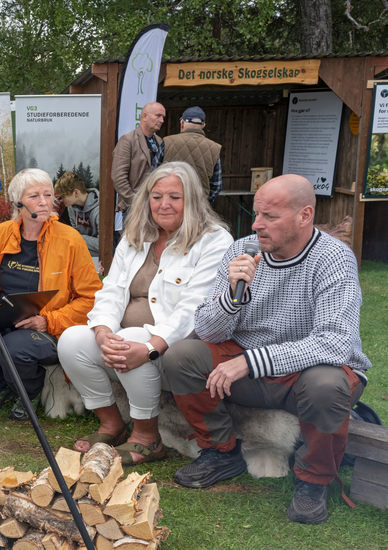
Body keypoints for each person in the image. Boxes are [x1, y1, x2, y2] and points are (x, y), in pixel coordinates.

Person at [162, 175, 370, 524]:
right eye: (257, 214)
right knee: (182, 357)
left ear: (304, 216)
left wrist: (250, 361)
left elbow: (334, 341)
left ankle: (313, 480)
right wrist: (231, 296)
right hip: (253, 370)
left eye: (269, 217)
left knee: (326, 385)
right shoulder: (242, 248)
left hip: (308, 375)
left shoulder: (334, 258)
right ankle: (220, 451)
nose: (257, 224)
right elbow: (208, 330)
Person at [57, 163, 231, 464]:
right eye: (156, 196)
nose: (164, 204)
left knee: (134, 337)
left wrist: (150, 347)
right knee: (71, 340)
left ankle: (147, 438)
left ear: (192, 200)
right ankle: (111, 424)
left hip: (174, 351)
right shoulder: (138, 234)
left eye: (175, 197)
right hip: (125, 342)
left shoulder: (214, 240)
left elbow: (195, 307)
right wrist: (103, 332)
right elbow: (111, 289)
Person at [0, 168, 101, 421]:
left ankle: (28, 392)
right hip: (5, 316)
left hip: (48, 328)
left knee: (11, 347)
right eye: (34, 196)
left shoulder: (70, 239)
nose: (44, 202)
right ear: (17, 203)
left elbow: (91, 298)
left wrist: (49, 321)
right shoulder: (2, 232)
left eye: (48, 194)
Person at [111, 102, 165, 233]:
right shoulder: (127, 140)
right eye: (158, 116)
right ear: (145, 116)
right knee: (133, 249)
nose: (162, 120)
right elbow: (118, 177)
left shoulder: (161, 142)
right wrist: (136, 203)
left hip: (156, 208)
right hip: (133, 210)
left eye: (163, 117)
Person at [163, 106, 223, 203]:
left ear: (181, 123)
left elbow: (153, 173)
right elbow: (216, 186)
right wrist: (204, 204)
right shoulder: (214, 148)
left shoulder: (167, 142)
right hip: (198, 206)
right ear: (203, 125)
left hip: (169, 204)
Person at [54, 172, 101, 253]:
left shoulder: (100, 209)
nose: (61, 200)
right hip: (81, 251)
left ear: (76, 193)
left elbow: (101, 244)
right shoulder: (71, 208)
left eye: (63, 196)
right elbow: (75, 235)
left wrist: (76, 238)